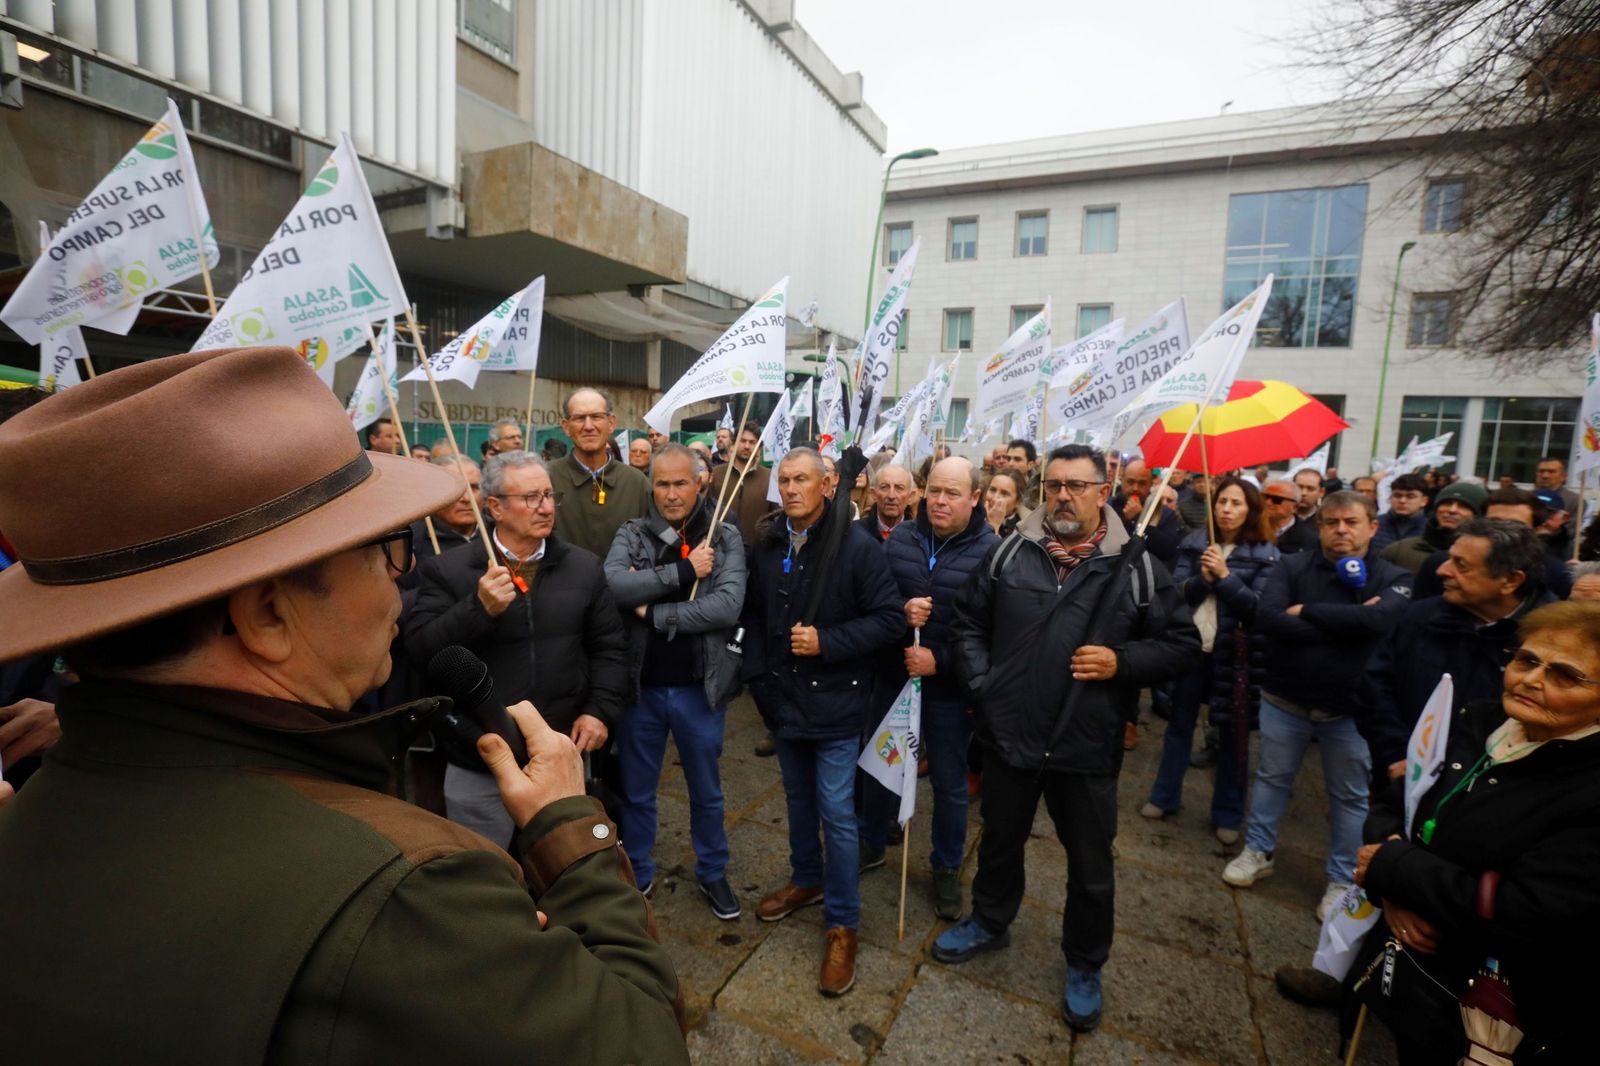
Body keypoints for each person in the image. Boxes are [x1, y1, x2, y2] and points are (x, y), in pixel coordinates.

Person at [0, 348, 685, 1063]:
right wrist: (570, 832)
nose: (400, 583)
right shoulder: (411, 890)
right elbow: (643, 1041)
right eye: (382, 550)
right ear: (267, 615)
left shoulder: (29, 824)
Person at [935, 445, 1200, 1032]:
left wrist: (1121, 662)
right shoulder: (1011, 552)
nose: (1062, 496)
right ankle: (990, 920)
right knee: (1000, 840)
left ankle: (1084, 960)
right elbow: (969, 623)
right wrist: (984, 684)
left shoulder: (1135, 567)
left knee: (1089, 863)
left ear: (1102, 491)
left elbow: (1181, 645)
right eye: (1053, 484)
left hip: (1085, 743)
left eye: (1077, 486)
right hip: (1010, 734)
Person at [1349, 600, 1600, 1064]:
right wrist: (1392, 889)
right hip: (1411, 972)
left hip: (1493, 1007)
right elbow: (1397, 804)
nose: (1531, 679)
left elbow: (1529, 910)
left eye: (1565, 675)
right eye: (1526, 660)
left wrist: (1394, 869)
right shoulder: (1479, 721)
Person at [407, 452, 629, 848]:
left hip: (560, 753)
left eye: (549, 495)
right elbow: (421, 651)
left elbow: (610, 648)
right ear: (495, 508)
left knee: (563, 862)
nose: (545, 507)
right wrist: (478, 610)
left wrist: (599, 711)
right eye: (530, 498)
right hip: (481, 757)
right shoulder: (450, 570)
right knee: (485, 872)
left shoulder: (583, 568)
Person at [743, 449, 903, 997]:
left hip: (836, 703)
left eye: (801, 479)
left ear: (828, 484)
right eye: (783, 480)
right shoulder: (769, 544)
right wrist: (758, 680)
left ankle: (843, 923)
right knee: (798, 801)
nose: (790, 489)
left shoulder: (856, 547)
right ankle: (806, 879)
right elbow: (756, 617)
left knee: (836, 810)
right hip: (783, 702)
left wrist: (829, 643)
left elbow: (888, 621)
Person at [1222, 491, 1413, 922]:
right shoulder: (1291, 565)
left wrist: (1307, 610)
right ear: (1321, 526)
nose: (1341, 530)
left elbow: (1380, 622)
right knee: (1272, 778)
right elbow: (1269, 619)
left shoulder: (1394, 576)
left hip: (1351, 713)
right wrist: (1348, 626)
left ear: (1372, 527)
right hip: (1284, 699)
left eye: (1351, 522)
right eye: (1332, 522)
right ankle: (1259, 850)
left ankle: (1343, 878)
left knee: (1349, 796)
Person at [605, 444, 746, 918]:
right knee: (638, 789)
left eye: (679, 482)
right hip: (641, 689)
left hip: (699, 689)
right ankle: (639, 868)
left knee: (707, 792)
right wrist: (683, 571)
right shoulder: (633, 533)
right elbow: (615, 586)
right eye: (661, 483)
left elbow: (726, 606)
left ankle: (713, 871)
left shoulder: (724, 535)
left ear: (699, 481)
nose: (670, 493)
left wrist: (656, 610)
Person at [860, 457, 998, 919]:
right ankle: (873, 840)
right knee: (882, 764)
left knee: (949, 781)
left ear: (974, 498)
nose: (940, 501)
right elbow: (873, 601)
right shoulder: (901, 538)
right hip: (894, 676)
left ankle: (945, 867)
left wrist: (940, 660)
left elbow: (997, 634)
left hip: (948, 689)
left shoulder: (992, 552)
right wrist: (902, 611)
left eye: (952, 493)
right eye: (935, 490)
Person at [1141, 476, 1278, 846]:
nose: (1227, 509)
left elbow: (1259, 608)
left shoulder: (1266, 553)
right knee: (1178, 726)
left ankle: (1228, 813)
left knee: (1234, 737)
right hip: (1193, 647)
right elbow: (1176, 593)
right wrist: (1203, 579)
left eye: (1236, 503)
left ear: (1250, 510)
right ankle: (1163, 796)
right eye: (1222, 502)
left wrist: (1226, 577)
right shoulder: (1196, 543)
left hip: (1236, 657)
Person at [1413, 487, 1573, 599]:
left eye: (1514, 524)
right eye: (1494, 522)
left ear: (1536, 529)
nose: (1500, 531)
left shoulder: (1558, 575)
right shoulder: (1440, 564)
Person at [550, 388, 650, 559]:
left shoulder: (637, 482)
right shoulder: (547, 478)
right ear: (566, 427)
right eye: (579, 418)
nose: (589, 426)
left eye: (596, 417)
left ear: (611, 423)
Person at [1380, 480, 1485, 574]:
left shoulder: (1484, 557)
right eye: (1447, 503)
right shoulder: (1399, 551)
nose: (1452, 510)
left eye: (1463, 506)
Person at [708, 420, 774, 548]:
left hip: (758, 550)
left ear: (758, 446)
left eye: (752, 442)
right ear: (733, 443)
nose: (747, 446)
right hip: (720, 550)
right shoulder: (716, 474)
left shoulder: (770, 477)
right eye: (742, 441)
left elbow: (774, 516)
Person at [412, 455, 484, 569]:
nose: (466, 498)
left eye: (474, 487)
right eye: (455, 489)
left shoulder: (498, 533)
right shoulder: (411, 543)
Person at [1109, 459, 1183, 569]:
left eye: (1142, 483)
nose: (1135, 488)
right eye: (1130, 482)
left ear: (1150, 485)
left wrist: (1138, 519)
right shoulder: (1109, 506)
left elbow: (1167, 551)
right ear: (1122, 480)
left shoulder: (1164, 514)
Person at [858, 461, 917, 542]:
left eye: (899, 488)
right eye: (884, 487)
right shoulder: (856, 533)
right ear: (873, 494)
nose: (891, 496)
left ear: (910, 497)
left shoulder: (920, 539)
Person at [1372, 473, 1430, 552]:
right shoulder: (1374, 524)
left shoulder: (1430, 529)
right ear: (1390, 498)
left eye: (1410, 496)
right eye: (1397, 495)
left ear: (1424, 501)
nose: (1402, 501)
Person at [1263, 480, 1318, 554]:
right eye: (1264, 497)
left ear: (1295, 507)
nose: (1267, 502)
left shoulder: (1310, 540)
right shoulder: (1248, 529)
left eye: (1276, 499)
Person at [984, 467, 1028, 538]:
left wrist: (993, 526)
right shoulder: (973, 517)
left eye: (1004, 494)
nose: (995, 498)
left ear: (1018, 501)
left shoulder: (1024, 531)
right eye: (992, 490)